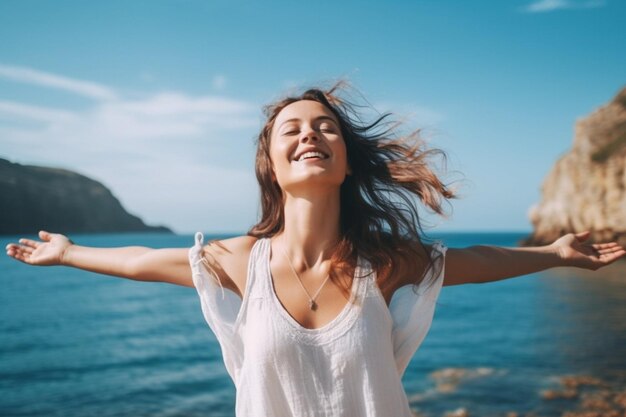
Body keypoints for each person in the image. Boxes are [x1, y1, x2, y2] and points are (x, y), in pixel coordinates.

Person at [5, 81, 625, 417]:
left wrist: (557, 254)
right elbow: (142, 262)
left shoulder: (382, 262)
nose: (310, 134)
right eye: (292, 128)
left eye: (326, 126)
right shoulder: (235, 261)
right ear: (271, 163)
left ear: (346, 160)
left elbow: (474, 261)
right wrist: (69, 252)